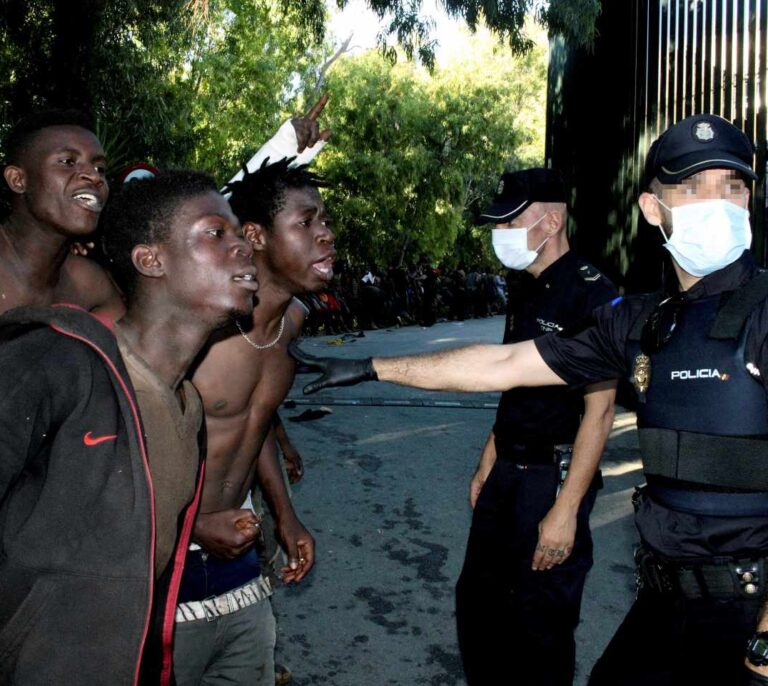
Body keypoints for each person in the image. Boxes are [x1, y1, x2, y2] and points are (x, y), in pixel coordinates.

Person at [291, 114, 768, 685]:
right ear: (652, 208)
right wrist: (371, 366)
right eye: (690, 187)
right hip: (667, 600)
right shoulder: (643, 321)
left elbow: (590, 411)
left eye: (732, 185)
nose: (715, 202)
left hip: (751, 614)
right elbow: (507, 365)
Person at [0, 170, 257, 685]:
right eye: (215, 233)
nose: (244, 247)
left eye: (240, 233)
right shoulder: (55, 362)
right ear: (150, 260)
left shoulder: (187, 407)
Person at [173, 158, 335, 686]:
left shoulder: (291, 325)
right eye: (306, 223)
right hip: (158, 555)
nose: (326, 235)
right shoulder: (199, 328)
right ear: (256, 237)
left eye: (325, 221)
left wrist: (285, 515)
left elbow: (255, 420)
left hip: (238, 558)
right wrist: (191, 526)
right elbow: (115, 446)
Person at [456, 168, 617, 685]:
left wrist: (566, 510)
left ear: (550, 222)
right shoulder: (524, 287)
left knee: (540, 620)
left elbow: (601, 410)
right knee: (479, 604)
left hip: (552, 478)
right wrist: (488, 461)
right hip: (507, 468)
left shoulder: (592, 294)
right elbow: (512, 382)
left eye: (510, 221)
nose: (499, 233)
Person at [0, 109, 125, 317]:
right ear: (18, 180)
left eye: (100, 168)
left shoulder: (91, 285)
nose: (95, 177)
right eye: (68, 162)